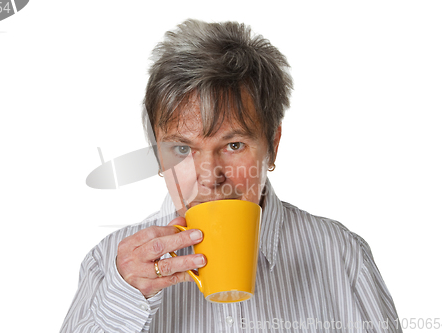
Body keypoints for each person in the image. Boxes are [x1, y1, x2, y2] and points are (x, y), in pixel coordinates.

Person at [60, 19, 401, 332]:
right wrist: (122, 300)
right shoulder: (110, 263)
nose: (209, 176)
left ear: (272, 145)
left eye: (234, 145)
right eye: (181, 149)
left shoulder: (341, 253)